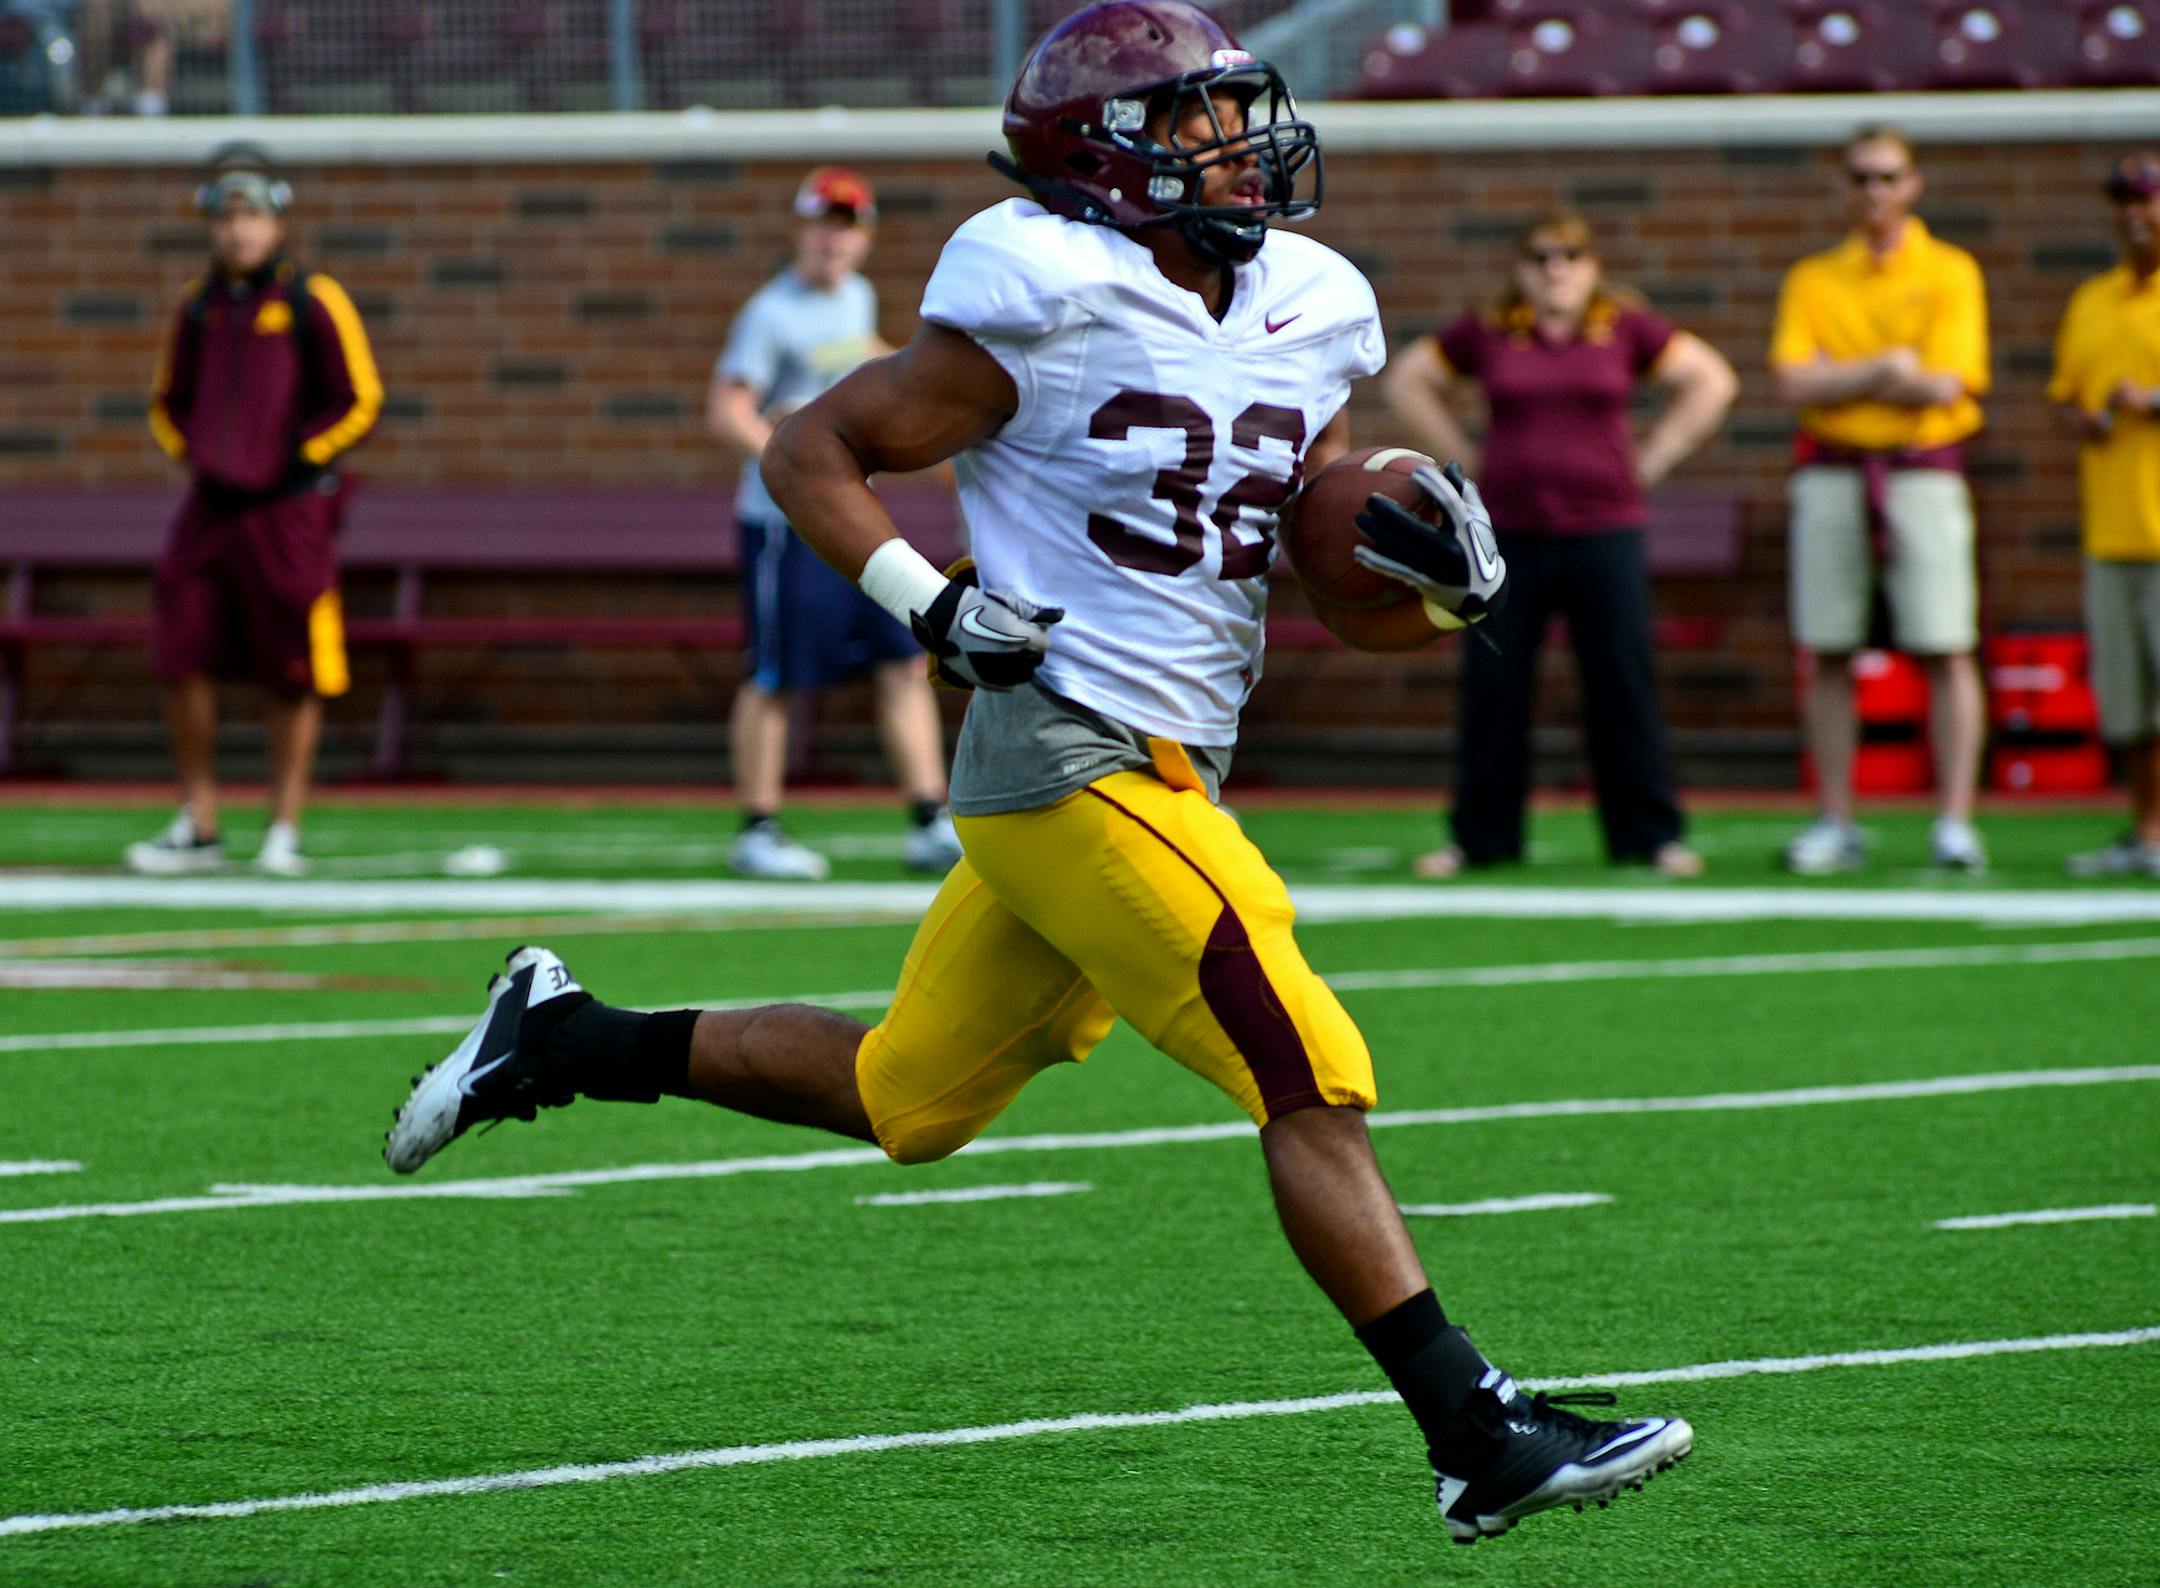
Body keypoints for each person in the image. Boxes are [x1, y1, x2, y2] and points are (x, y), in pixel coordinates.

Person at [384, 1, 1692, 1546]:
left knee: (907, 1097)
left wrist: (1437, 591)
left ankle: (558, 1036)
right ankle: (1475, 1432)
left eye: (1234, 111)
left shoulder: (1317, 302)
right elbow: (809, 451)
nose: (1238, 142)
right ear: (1110, 157)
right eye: (1196, 120)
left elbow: (1314, 573)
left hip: (1174, 760)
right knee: (1306, 1061)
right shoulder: (1043, 288)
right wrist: (932, 604)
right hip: (1064, 749)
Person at [1383, 212, 1736, 880]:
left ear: (1593, 264)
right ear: (1520, 266)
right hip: (1508, 533)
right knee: (1493, 685)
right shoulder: (1490, 329)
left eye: (1570, 256)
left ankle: (1650, 835)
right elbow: (1407, 378)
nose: (1556, 269)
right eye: (1542, 257)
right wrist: (1462, 458)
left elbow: (1712, 380)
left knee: (1621, 683)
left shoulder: (1624, 327)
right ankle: (1481, 838)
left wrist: (1656, 456)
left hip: (1606, 531)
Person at [128, 147, 381, 877]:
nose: (239, 232)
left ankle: (283, 825)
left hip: (289, 510)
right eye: (227, 217)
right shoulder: (198, 306)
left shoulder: (312, 299)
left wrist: (301, 456)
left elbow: (360, 396)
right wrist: (199, 453)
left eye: (253, 216)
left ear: (278, 221)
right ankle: (200, 818)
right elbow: (165, 401)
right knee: (182, 650)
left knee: (292, 668)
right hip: (211, 508)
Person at [707, 165, 963, 880]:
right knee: (776, 672)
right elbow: (727, 409)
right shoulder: (770, 313)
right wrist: (796, 464)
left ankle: (928, 819)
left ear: (866, 237)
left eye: (848, 226)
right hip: (785, 523)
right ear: (799, 229)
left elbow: (869, 363)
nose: (834, 240)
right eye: (823, 223)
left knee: (902, 658)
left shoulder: (857, 298)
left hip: (855, 516)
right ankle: (757, 828)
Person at [1770, 125, 1991, 875]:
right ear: (1844, 187)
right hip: (1832, 470)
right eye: (1861, 177)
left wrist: (1847, 376)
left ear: (1913, 183)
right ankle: (1836, 818)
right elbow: (1795, 385)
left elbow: (1945, 384)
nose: (1874, 191)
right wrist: (1888, 368)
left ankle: (1955, 821)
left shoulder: (1952, 270)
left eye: (1888, 176)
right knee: (1828, 644)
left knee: (1945, 642)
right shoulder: (1814, 278)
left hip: (1922, 469)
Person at [2049, 154, 2160, 879]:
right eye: (2122, 201)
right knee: (2128, 703)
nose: (2134, 214)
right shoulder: (2093, 298)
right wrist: (2082, 416)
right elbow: (2065, 394)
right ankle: (2145, 833)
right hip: (2109, 527)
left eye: (2147, 200)